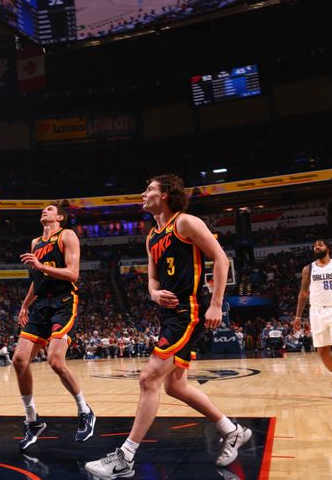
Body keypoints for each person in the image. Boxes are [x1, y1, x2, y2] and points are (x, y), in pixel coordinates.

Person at [85, 174, 252, 478]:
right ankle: (232, 430)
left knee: (149, 378)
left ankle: (125, 458)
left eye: (149, 189)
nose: (143, 193)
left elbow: (221, 259)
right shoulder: (152, 236)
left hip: (190, 310)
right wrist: (152, 293)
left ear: (164, 195)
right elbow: (152, 278)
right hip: (170, 314)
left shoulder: (185, 222)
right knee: (175, 385)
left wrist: (216, 304)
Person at [14, 203, 95, 449]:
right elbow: (37, 280)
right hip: (40, 305)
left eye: (49, 209)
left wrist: (40, 266)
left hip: (63, 302)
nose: (44, 211)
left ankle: (85, 410)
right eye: (43, 210)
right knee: (19, 360)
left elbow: (72, 274)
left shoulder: (66, 235)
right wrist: (25, 305)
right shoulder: (35, 242)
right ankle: (32, 420)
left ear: (59, 217)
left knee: (55, 361)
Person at [293, 240, 332, 405]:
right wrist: (298, 317)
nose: (316, 247)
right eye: (314, 245)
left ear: (328, 248)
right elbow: (303, 293)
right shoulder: (308, 269)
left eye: (320, 245)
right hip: (316, 311)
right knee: (322, 351)